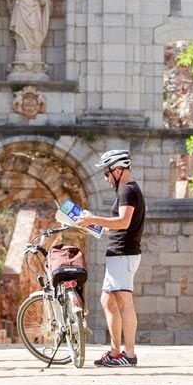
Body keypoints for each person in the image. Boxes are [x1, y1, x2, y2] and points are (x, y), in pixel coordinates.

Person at [77, 149, 145, 367]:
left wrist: (94, 218)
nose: (106, 178)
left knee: (124, 301)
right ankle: (115, 352)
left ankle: (129, 354)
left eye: (107, 173)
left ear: (118, 170)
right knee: (107, 301)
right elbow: (119, 226)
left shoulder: (128, 191)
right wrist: (94, 225)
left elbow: (124, 222)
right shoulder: (127, 191)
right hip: (119, 252)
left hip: (124, 253)